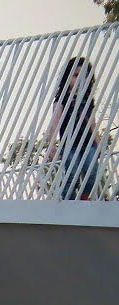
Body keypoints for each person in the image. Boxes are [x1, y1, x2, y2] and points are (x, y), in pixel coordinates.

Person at [45, 57, 101, 201]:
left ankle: (83, 199)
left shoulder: (88, 99)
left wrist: (98, 142)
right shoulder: (62, 100)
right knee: (72, 175)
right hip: (70, 145)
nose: (80, 80)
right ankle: (68, 202)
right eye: (76, 76)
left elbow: (91, 122)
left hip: (89, 143)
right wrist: (51, 144)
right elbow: (55, 123)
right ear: (68, 78)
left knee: (92, 173)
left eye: (85, 76)